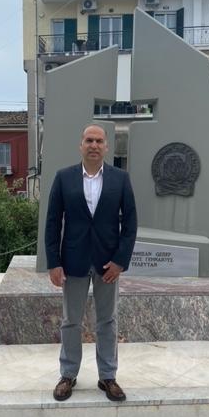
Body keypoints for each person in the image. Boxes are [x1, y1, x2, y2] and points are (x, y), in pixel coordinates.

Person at [45, 124, 137, 402]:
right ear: (81, 145)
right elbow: (52, 222)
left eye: (98, 141)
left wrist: (120, 261)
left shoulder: (120, 179)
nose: (94, 145)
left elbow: (130, 223)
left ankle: (108, 376)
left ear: (106, 147)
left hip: (108, 263)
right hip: (73, 260)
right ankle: (68, 374)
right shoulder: (64, 178)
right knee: (71, 321)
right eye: (89, 140)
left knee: (107, 321)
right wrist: (53, 262)